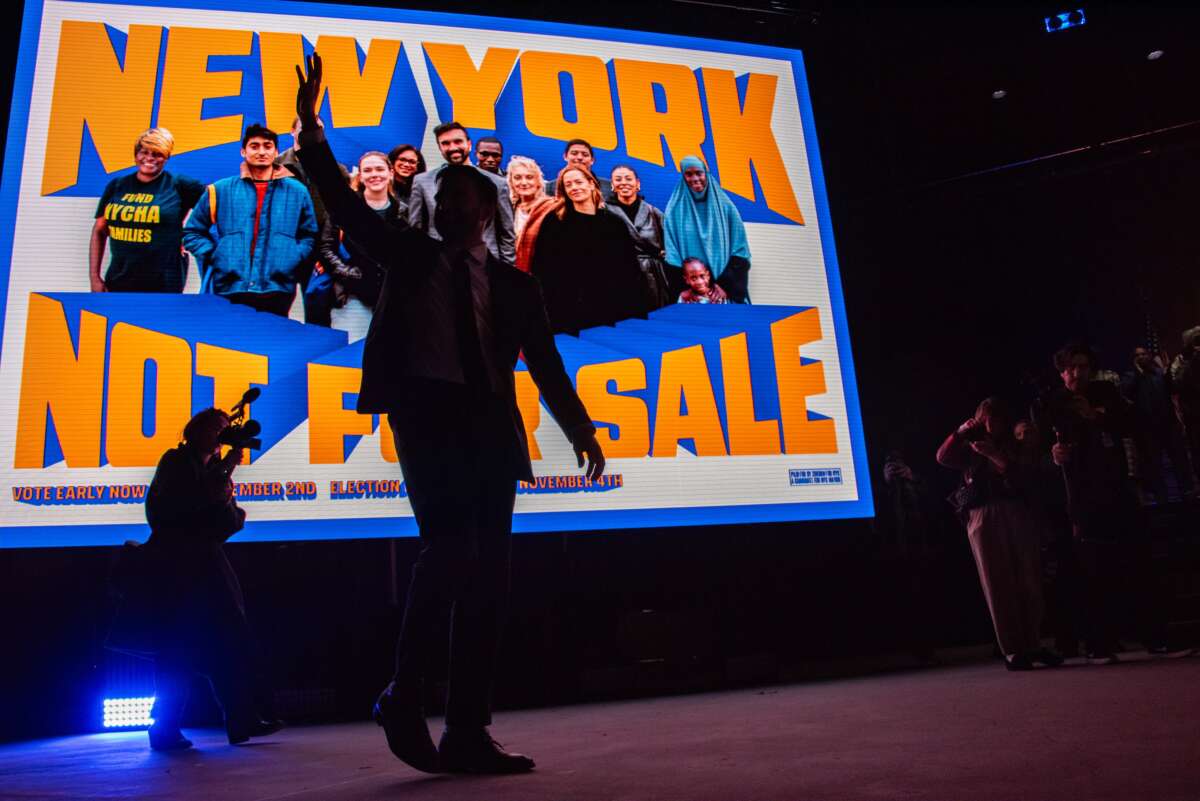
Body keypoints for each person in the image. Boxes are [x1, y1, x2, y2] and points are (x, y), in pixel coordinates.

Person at [295, 53, 605, 775]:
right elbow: (342, 204)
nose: (460, 207)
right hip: (428, 418)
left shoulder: (515, 287)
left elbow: (547, 366)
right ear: (435, 210)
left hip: (492, 429)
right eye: (449, 199)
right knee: (448, 550)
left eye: (472, 199)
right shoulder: (405, 256)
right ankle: (404, 694)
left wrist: (582, 429)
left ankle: (468, 729)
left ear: (489, 211)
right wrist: (311, 130)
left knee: (489, 578)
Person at [108, 408, 281, 750]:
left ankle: (239, 719)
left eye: (224, 429)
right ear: (196, 431)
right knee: (178, 654)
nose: (221, 434)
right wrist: (228, 467)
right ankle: (166, 728)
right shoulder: (176, 462)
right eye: (216, 428)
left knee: (226, 647)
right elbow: (189, 506)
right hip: (177, 573)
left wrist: (230, 500)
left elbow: (223, 521)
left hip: (206, 569)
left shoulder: (212, 471)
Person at [1037, 342, 1171, 661]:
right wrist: (1052, 456)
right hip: (1081, 496)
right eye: (1070, 368)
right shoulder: (1049, 403)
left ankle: (1155, 638)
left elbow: (1132, 424)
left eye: (1082, 366)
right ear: (1061, 371)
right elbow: (1038, 451)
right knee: (1093, 571)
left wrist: (1096, 418)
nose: (1077, 373)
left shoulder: (1107, 394)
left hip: (1118, 488)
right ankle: (1099, 643)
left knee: (1139, 562)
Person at [937, 398, 1058, 671]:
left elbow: (1025, 477)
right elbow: (942, 457)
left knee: (1029, 579)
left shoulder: (1015, 445)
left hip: (1016, 511)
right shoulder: (969, 448)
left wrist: (994, 455)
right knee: (996, 582)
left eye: (996, 419)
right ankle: (1013, 650)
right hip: (982, 515)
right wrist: (959, 433)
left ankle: (1033, 644)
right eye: (985, 419)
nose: (991, 424)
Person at [183, 124, 317, 316]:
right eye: (254, 146)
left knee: (270, 342)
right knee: (229, 343)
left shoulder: (297, 191)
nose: (261, 151)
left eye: (267, 146)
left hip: (278, 286)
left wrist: (292, 257)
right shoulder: (220, 190)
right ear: (243, 151)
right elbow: (192, 231)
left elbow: (309, 234)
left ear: (276, 151)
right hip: (230, 285)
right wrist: (217, 255)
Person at [526, 166, 651, 334]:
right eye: (568, 184)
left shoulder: (614, 223)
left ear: (592, 184)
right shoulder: (554, 221)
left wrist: (636, 310)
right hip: (569, 312)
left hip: (610, 309)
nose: (574, 187)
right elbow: (541, 268)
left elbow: (630, 270)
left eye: (578, 182)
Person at [89, 128, 205, 293]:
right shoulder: (117, 185)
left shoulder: (180, 185)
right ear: (136, 154)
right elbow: (99, 230)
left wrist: (192, 238)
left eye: (157, 154)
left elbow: (216, 207)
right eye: (144, 152)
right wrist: (94, 277)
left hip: (164, 283)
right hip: (119, 280)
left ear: (166, 157)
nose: (150, 158)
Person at [408, 121, 516, 265]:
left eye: (458, 141)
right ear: (439, 148)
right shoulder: (422, 181)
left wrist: (506, 273)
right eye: (445, 143)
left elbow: (507, 233)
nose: (453, 147)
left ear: (469, 144)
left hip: (484, 267)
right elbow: (416, 232)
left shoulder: (497, 183)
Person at [276, 117, 349, 324]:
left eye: (316, 130)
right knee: (276, 310)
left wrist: (330, 253)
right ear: (292, 131)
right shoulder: (276, 167)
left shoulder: (336, 170)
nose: (310, 134)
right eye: (304, 128)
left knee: (318, 311)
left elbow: (343, 212)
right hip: (284, 248)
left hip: (320, 251)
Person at [317, 151, 397, 314]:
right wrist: (348, 274)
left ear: (390, 173)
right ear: (360, 176)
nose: (374, 174)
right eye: (367, 170)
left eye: (379, 169)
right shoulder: (342, 209)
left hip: (393, 298)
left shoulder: (403, 211)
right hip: (351, 296)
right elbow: (326, 248)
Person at [663, 155, 752, 303]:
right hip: (692, 298)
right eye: (689, 174)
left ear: (706, 173)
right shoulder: (673, 212)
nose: (695, 178)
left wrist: (724, 286)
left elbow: (740, 253)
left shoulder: (726, 208)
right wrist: (685, 291)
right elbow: (672, 258)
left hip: (724, 294)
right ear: (683, 177)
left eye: (699, 173)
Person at [1122, 345, 1194, 503]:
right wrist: (1138, 372)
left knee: (1179, 460)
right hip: (1148, 429)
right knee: (1155, 465)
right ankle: (1162, 498)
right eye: (1137, 355)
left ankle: (1188, 494)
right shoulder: (1130, 376)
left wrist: (1167, 369)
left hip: (1168, 424)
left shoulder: (1158, 373)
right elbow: (1127, 391)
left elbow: (1172, 388)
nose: (1141, 357)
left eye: (1144, 354)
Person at [607, 165, 670, 310]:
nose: (623, 182)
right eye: (618, 179)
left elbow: (670, 243)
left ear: (638, 184)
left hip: (652, 276)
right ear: (612, 185)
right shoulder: (604, 211)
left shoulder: (653, 212)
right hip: (619, 274)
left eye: (628, 179)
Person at [506, 156, 554, 242]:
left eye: (529, 177)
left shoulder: (551, 208)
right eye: (517, 178)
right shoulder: (509, 208)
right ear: (511, 182)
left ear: (538, 181)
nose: (524, 182)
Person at [544, 139, 610, 197]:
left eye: (585, 155)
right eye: (574, 153)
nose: (579, 157)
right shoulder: (550, 188)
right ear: (565, 157)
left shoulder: (609, 187)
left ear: (592, 160)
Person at [388, 143, 426, 222]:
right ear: (393, 161)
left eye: (412, 162)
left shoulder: (421, 191)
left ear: (417, 166)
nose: (406, 164)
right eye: (402, 159)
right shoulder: (381, 185)